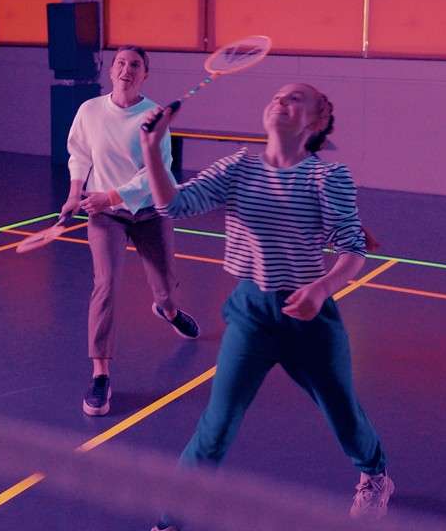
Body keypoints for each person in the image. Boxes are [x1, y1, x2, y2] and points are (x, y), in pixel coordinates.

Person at [140, 83, 392, 529]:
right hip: (251, 314)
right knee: (215, 427)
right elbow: (173, 206)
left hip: (308, 315)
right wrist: (151, 146)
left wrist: (322, 289)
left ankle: (374, 475)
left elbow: (353, 247)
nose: (282, 100)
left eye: (296, 98)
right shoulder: (238, 167)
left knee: (342, 414)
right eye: (277, 95)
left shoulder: (327, 177)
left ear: (315, 122)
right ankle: (169, 522)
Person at [61, 45, 200, 418]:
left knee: (165, 284)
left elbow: (159, 173)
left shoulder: (154, 117)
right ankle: (100, 373)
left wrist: (109, 195)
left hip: (150, 211)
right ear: (111, 71)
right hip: (107, 217)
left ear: (145, 74)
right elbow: (79, 153)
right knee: (105, 285)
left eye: (135, 65)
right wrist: (76, 192)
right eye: (120, 63)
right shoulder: (89, 111)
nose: (126, 69)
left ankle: (168, 310)